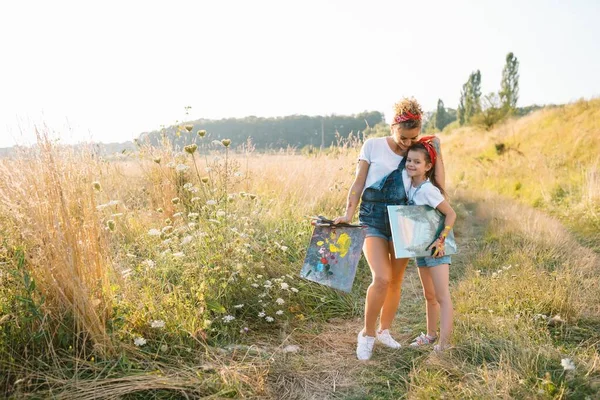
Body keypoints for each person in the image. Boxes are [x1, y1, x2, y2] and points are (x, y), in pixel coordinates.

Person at [333, 98, 446, 360]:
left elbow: (438, 183)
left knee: (395, 281)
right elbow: (358, 183)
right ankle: (368, 334)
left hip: (404, 219)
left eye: (413, 138)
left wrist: (437, 150)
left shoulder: (417, 151)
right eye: (404, 138)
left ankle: (385, 330)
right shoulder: (372, 146)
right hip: (372, 218)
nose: (408, 144)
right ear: (393, 125)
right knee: (381, 278)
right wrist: (348, 213)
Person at [402, 141, 456, 352]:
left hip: (436, 248)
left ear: (427, 167)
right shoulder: (410, 185)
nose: (411, 165)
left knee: (442, 296)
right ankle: (431, 335)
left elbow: (451, 214)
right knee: (429, 295)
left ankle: (444, 343)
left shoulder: (428, 190)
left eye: (417, 162)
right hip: (421, 248)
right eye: (409, 160)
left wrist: (440, 239)